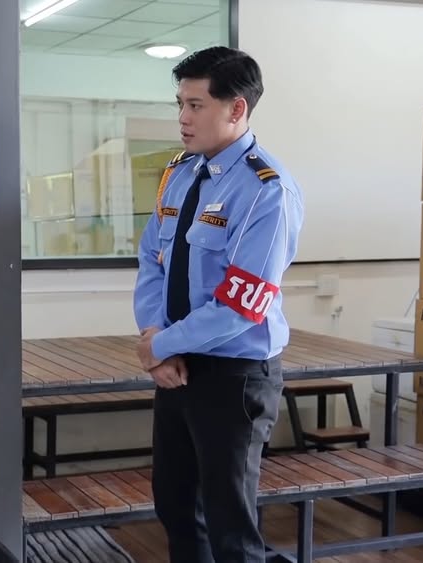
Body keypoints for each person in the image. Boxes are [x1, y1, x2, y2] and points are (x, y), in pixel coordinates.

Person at [132, 46, 304, 562]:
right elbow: (152, 259)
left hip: (234, 376)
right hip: (176, 366)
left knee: (231, 526)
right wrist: (156, 339)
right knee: (176, 506)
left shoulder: (266, 190)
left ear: (236, 109)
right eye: (180, 104)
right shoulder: (181, 172)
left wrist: (161, 344)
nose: (183, 119)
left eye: (196, 105)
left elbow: (241, 304)